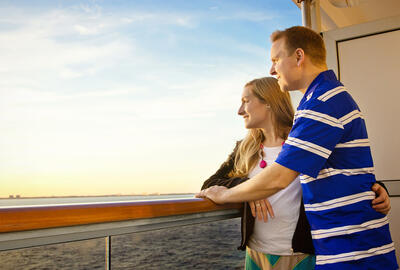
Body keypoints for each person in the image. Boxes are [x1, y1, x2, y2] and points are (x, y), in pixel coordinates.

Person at [197, 26, 398, 270]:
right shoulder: (324, 99)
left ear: (299, 57)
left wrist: (227, 194)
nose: (272, 69)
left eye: (276, 60)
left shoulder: (322, 103)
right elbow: (345, 168)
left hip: (353, 253)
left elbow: (280, 177)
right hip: (346, 248)